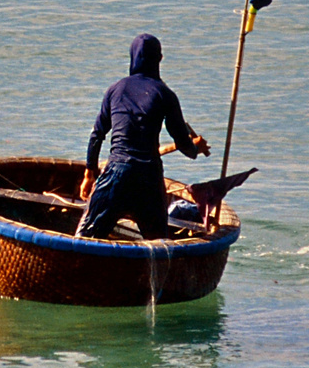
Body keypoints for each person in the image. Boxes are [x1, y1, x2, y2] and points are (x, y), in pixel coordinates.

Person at [76, 33, 210, 239]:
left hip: (116, 174)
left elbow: (97, 135)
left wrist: (89, 175)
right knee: (159, 246)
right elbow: (184, 145)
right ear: (159, 60)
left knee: (85, 239)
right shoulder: (166, 94)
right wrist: (196, 148)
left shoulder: (116, 89)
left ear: (132, 58)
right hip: (148, 178)